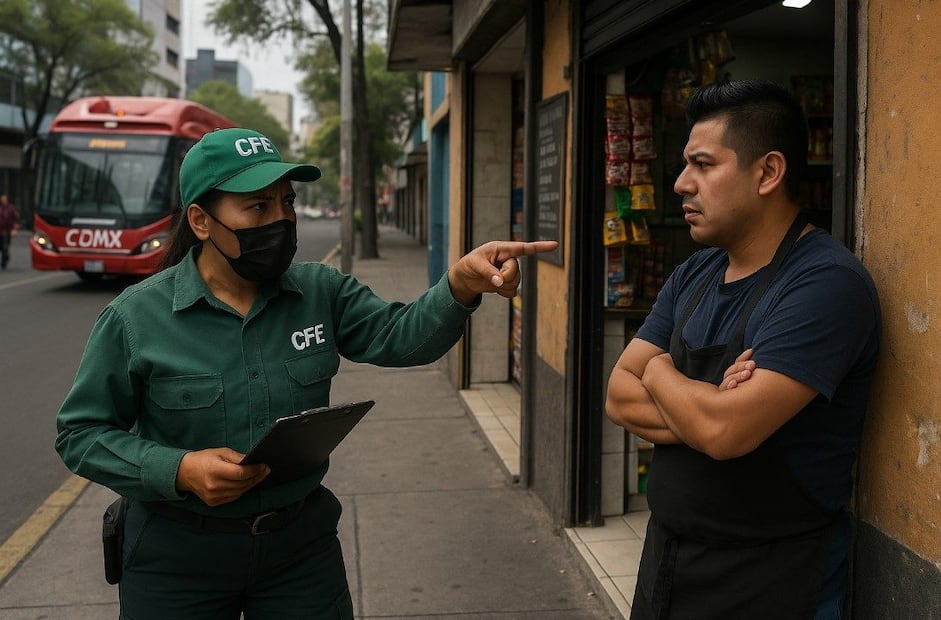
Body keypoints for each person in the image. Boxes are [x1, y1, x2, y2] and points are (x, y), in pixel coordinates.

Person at [55, 127, 557, 620]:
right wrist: (180, 469)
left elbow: (402, 337)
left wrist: (459, 286)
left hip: (300, 551)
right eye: (258, 207)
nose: (281, 220)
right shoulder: (135, 318)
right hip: (176, 557)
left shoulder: (321, 292)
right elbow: (81, 434)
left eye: (287, 203)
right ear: (202, 221)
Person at [605, 80, 881, 620]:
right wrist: (707, 400)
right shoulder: (696, 272)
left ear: (768, 173)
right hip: (667, 566)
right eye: (685, 165)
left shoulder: (824, 284)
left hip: (773, 581)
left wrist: (659, 370)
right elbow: (617, 396)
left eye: (703, 165)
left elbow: (725, 432)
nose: (682, 183)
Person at [0, 193, 20, 269]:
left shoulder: (11, 209)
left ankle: (4, 261)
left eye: (5, 200)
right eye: (2, 200)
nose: (3, 201)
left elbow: (16, 219)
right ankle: (5, 256)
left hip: (6, 231)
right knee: (1, 247)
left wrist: (15, 229)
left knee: (5, 246)